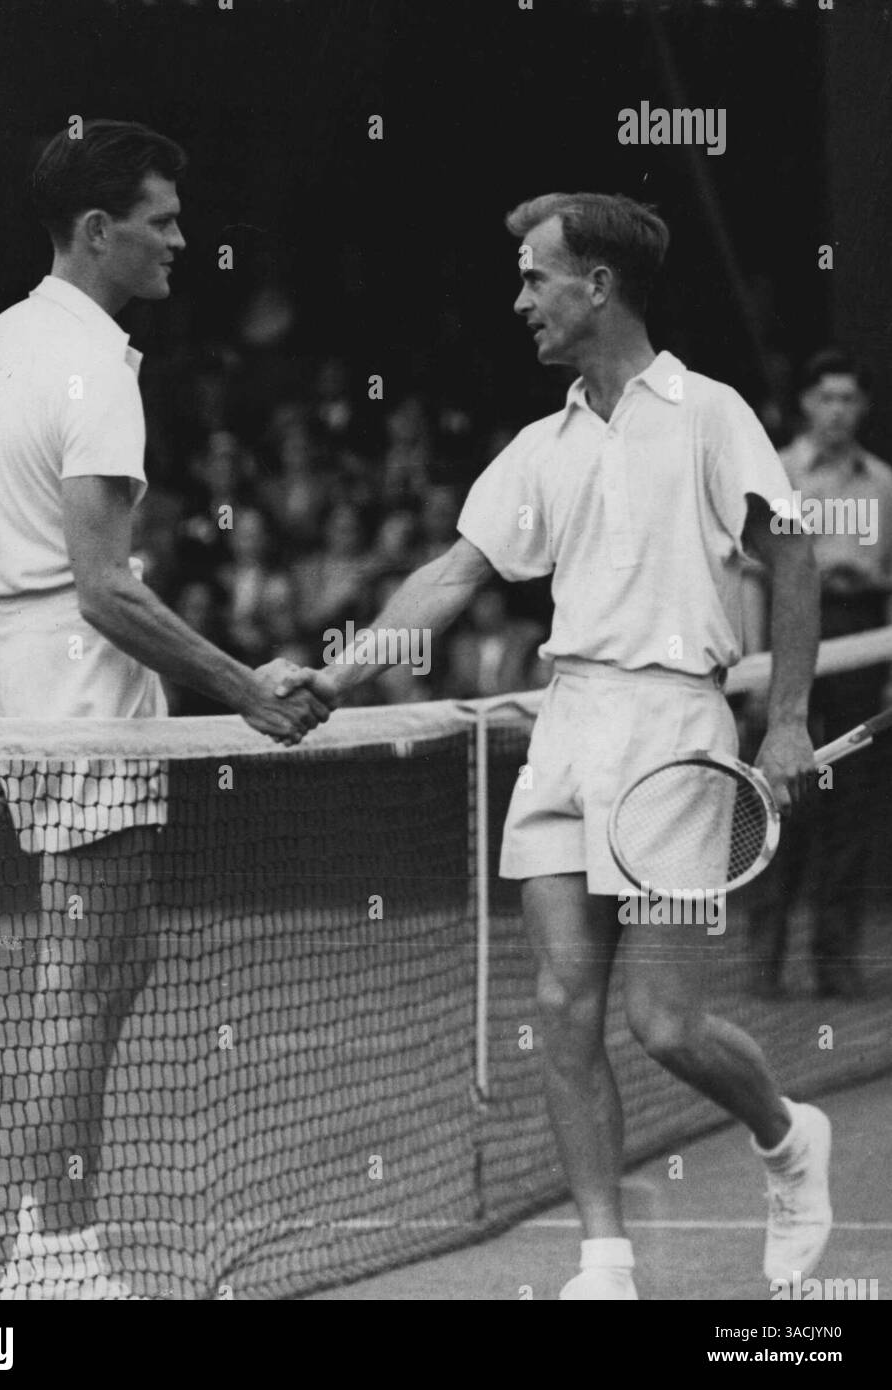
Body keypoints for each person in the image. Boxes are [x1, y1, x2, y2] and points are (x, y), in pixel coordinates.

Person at [282, 192, 831, 1300]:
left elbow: (795, 552)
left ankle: (785, 1132)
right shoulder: (540, 444)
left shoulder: (711, 413)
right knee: (557, 1007)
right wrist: (335, 676)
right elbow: (451, 576)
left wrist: (785, 720)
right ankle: (603, 1263)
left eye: (536, 275)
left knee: (664, 1022)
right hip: (567, 724)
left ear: (598, 285)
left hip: (679, 732)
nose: (519, 297)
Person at [0, 119, 331, 1300]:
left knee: (113, 962)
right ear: (97, 231)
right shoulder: (97, 367)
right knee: (86, 975)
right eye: (162, 221)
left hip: (25, 674)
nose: (182, 239)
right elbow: (109, 589)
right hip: (83, 676)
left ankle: (46, 1242)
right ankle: (54, 1257)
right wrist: (248, 687)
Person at [745, 349, 892, 998]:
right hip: (795, 628)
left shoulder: (884, 483)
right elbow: (753, 575)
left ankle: (835, 962)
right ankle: (765, 958)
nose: (837, 409)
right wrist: (756, 669)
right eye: (826, 396)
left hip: (864, 632)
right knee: (784, 794)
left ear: (862, 408)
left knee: (853, 800)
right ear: (806, 403)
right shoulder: (776, 470)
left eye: (849, 398)